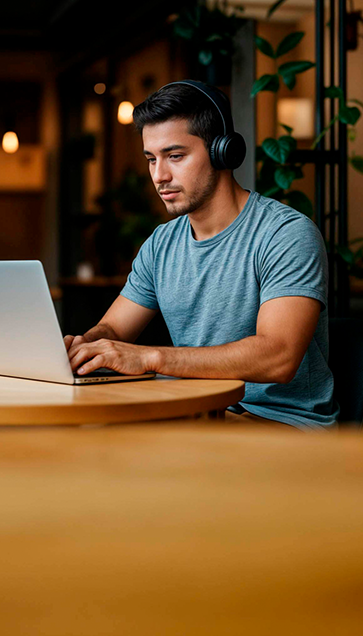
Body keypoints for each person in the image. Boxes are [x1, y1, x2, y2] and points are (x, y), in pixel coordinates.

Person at [64, 81, 338, 429]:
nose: (159, 176)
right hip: (200, 412)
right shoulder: (161, 243)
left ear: (223, 151)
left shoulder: (285, 234)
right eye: (152, 159)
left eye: (175, 156)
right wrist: (84, 347)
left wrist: (150, 357)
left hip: (281, 424)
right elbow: (114, 328)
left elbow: (279, 356)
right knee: (90, 434)